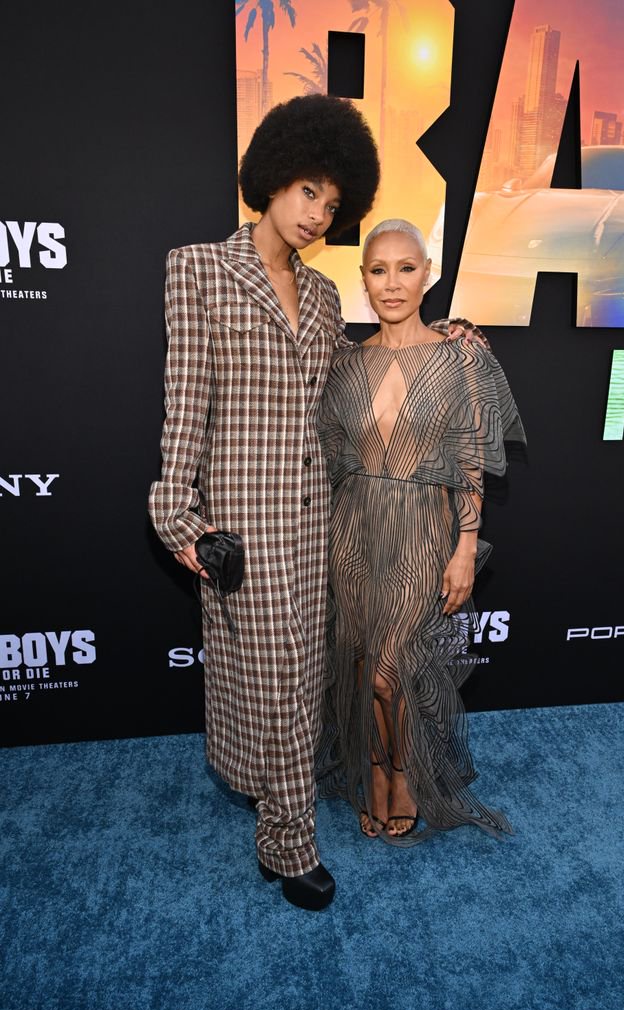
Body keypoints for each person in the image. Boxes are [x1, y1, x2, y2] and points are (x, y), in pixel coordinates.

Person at [148, 95, 381, 911]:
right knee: (270, 671)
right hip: (238, 521)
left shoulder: (321, 299)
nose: (319, 213)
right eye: (310, 190)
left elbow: (350, 382)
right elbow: (187, 399)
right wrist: (178, 515)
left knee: (292, 678)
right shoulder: (199, 268)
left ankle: (274, 802)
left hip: (314, 513)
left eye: (333, 201)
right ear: (274, 176)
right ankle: (288, 843)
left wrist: (431, 337)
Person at [316, 219, 526, 844]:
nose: (392, 283)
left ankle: (402, 773)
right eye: (378, 270)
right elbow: (324, 453)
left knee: (391, 672)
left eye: (406, 268)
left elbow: (470, 461)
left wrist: (466, 547)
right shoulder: (345, 362)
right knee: (359, 667)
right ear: (363, 280)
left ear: (428, 273)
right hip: (352, 526)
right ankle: (370, 767)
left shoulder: (460, 355)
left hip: (421, 528)